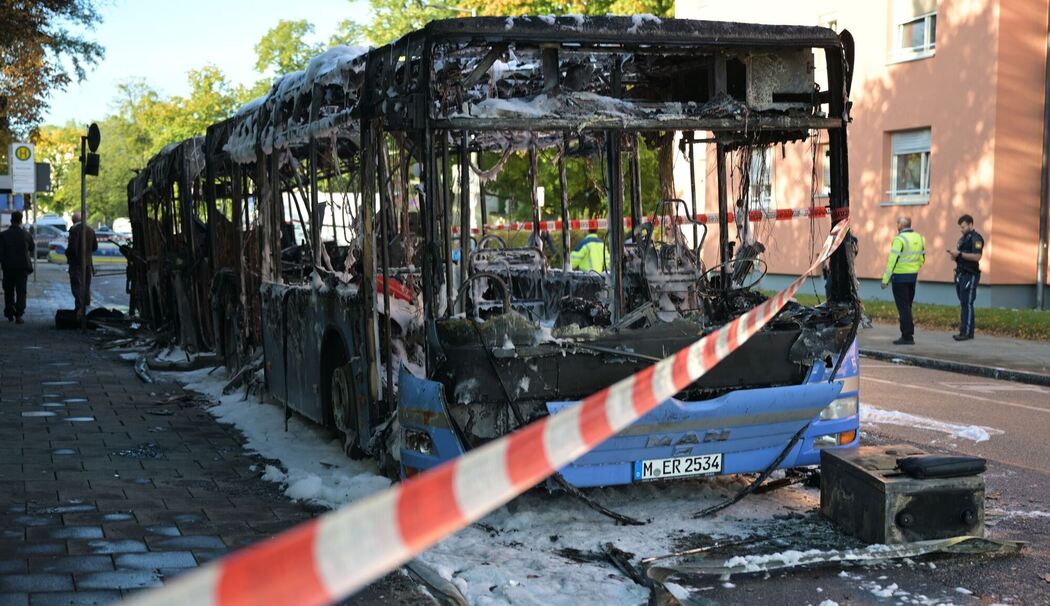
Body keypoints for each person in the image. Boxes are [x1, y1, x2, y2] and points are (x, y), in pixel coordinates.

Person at [880, 215, 926, 345]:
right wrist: (915, 268)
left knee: (903, 308)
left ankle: (907, 336)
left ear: (900, 225)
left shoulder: (899, 239)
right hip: (913, 276)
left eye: (897, 223)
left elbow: (892, 261)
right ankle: (908, 333)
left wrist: (885, 280)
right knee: (908, 306)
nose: (896, 226)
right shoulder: (919, 238)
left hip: (900, 277)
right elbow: (922, 258)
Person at [948, 214, 984, 341]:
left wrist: (961, 254)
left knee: (967, 303)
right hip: (960, 274)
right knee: (963, 303)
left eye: (963, 227)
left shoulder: (976, 238)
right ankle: (963, 331)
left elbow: (977, 256)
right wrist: (954, 255)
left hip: (970, 274)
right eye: (960, 227)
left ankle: (967, 333)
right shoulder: (962, 239)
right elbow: (959, 256)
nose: (961, 229)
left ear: (970, 225)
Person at [0, 211, 35, 324]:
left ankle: (9, 313)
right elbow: (31, 248)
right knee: (21, 291)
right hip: (22, 267)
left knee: (8, 291)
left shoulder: (3, 235)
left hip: (8, 267)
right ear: (21, 221)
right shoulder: (26, 234)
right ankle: (19, 315)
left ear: (11, 220)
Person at [66, 212, 98, 316]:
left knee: (77, 285)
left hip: (76, 263)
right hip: (88, 263)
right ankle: (86, 309)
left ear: (73, 220)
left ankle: (79, 309)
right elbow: (95, 247)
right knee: (86, 286)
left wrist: (68, 254)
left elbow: (72, 249)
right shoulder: (90, 230)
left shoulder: (74, 230)